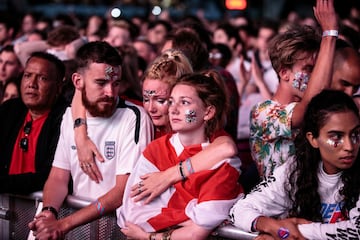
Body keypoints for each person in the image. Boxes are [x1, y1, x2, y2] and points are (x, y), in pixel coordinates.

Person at [28, 41, 153, 239]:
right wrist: (49, 213)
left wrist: (64, 224)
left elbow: (123, 191)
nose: (110, 92)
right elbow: (59, 176)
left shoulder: (135, 117)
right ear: (78, 82)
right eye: (101, 83)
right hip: (78, 230)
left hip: (116, 231)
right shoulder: (70, 116)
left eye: (116, 83)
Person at [118, 72, 243, 240]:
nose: (173, 109)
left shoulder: (223, 163)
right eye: (171, 102)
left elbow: (195, 234)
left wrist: (149, 236)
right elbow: (132, 214)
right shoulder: (155, 150)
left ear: (208, 112)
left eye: (184, 103)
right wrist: (192, 214)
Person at [230, 89, 360, 239]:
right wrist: (272, 227)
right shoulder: (296, 169)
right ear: (313, 139)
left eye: (355, 134)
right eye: (336, 137)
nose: (350, 146)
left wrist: (291, 233)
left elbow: (357, 230)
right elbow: (239, 210)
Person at [250, 0, 338, 177]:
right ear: (284, 73)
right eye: (308, 69)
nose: (315, 77)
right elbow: (307, 107)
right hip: (277, 204)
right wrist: (329, 34)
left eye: (317, 70)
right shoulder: (262, 112)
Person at [0, 51, 67, 194]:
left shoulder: (65, 118)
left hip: (43, 209)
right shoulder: (9, 110)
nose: (32, 84)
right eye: (27, 75)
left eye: (42, 78)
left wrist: (3, 183)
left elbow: (49, 176)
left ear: (58, 87)